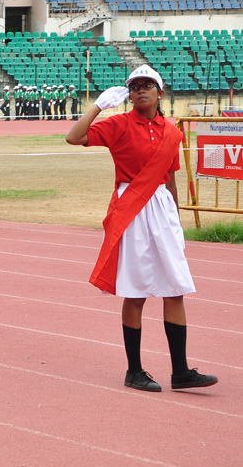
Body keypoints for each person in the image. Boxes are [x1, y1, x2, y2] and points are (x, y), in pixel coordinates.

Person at [65, 65, 217, 393]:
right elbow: (74, 137)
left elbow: (171, 175)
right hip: (131, 206)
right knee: (135, 292)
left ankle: (181, 372)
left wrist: (175, 220)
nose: (140, 91)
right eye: (134, 87)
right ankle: (134, 371)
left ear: (160, 93)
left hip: (161, 208)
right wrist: (99, 106)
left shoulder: (172, 132)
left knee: (174, 287)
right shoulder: (118, 124)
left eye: (148, 86)